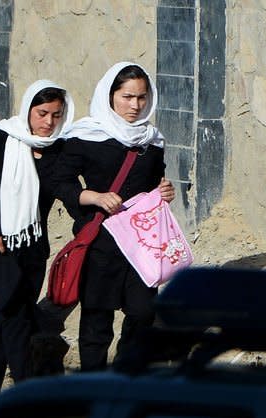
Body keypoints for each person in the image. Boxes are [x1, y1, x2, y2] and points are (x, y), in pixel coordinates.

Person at [50, 62, 175, 371]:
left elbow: (153, 184)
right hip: (101, 241)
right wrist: (95, 197)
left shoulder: (151, 141)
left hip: (141, 243)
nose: (135, 106)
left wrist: (164, 191)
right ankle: (93, 387)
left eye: (142, 98)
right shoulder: (85, 136)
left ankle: (125, 375)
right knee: (96, 318)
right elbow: (59, 182)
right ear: (110, 95)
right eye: (127, 97)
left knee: (143, 312)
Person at [0, 80, 75, 405]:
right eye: (42, 113)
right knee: (16, 320)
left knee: (3, 324)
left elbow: (67, 190)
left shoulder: (59, 148)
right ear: (28, 109)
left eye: (56, 115)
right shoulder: (3, 136)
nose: (48, 122)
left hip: (34, 250)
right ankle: (29, 402)